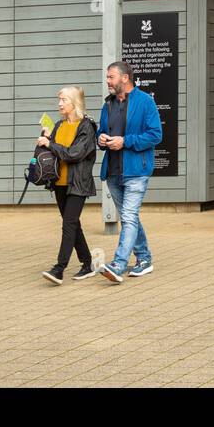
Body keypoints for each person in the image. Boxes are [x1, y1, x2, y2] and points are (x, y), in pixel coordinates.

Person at [96, 60, 163, 283]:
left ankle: (118, 263)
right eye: (107, 77)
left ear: (125, 78)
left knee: (129, 216)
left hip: (136, 171)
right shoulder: (108, 105)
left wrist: (125, 141)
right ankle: (144, 259)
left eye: (111, 77)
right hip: (113, 172)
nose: (107, 81)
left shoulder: (145, 102)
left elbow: (155, 135)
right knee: (129, 217)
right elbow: (102, 132)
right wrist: (102, 139)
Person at [37, 86, 99, 285]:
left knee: (68, 224)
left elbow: (74, 154)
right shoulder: (59, 125)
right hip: (60, 183)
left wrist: (50, 144)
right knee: (73, 224)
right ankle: (88, 263)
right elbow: (55, 151)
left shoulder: (86, 127)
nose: (60, 104)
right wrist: (47, 138)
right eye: (59, 100)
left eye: (64, 100)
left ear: (74, 103)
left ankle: (59, 269)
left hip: (78, 183)